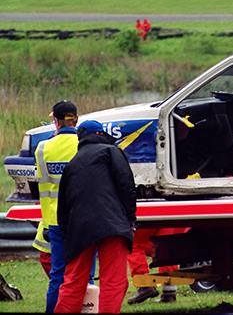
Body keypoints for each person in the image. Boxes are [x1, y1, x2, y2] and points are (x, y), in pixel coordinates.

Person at [54, 120, 136, 314]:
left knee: (74, 281)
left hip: (80, 228)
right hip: (112, 225)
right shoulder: (111, 151)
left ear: (80, 138)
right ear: (100, 134)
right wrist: (130, 219)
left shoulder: (72, 163)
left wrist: (67, 232)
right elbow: (126, 186)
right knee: (113, 281)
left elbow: (62, 204)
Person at [35, 100, 79, 313]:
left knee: (58, 274)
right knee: (84, 273)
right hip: (81, 219)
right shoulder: (84, 144)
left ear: (56, 121)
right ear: (76, 119)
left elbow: (41, 183)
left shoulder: (43, 148)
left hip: (54, 220)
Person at [127, 227, 189, 304]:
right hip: (173, 217)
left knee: (133, 244)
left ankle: (145, 285)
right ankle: (169, 293)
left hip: (148, 216)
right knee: (166, 246)